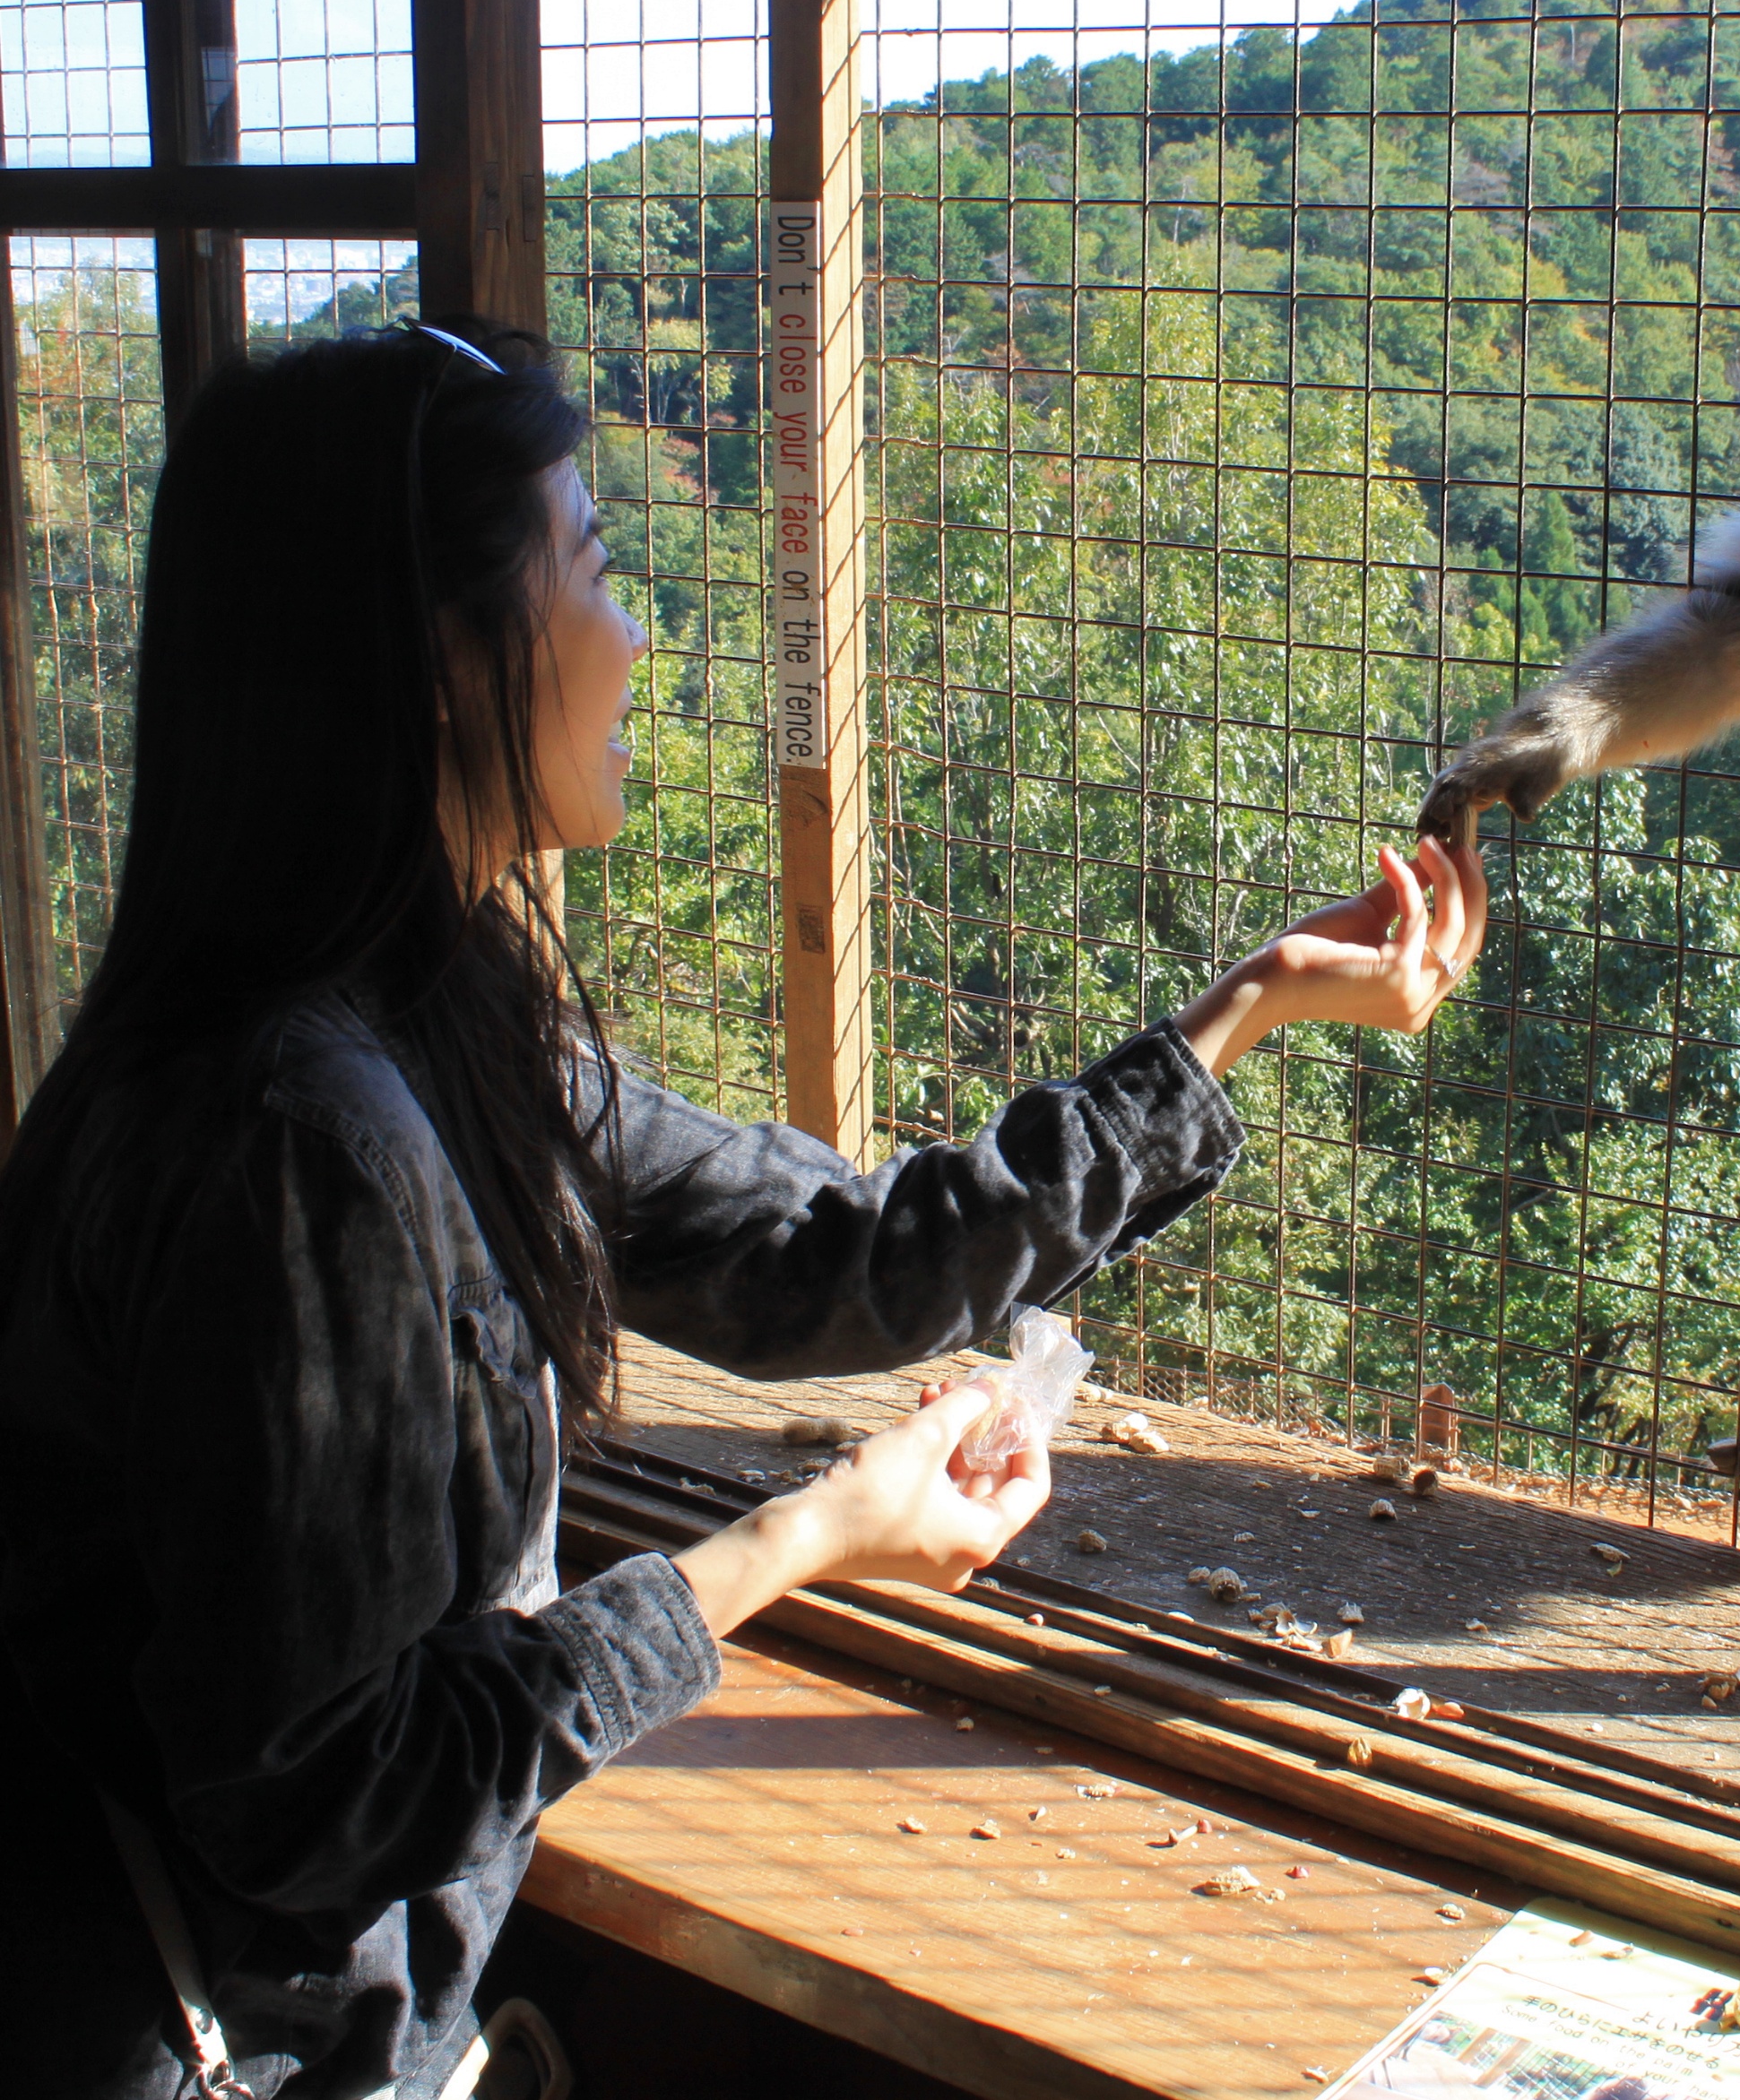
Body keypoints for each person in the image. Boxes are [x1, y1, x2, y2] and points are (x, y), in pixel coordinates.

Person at [0, 320, 1488, 2098]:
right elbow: (334, 1799)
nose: (640, 635)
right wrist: (800, 1541)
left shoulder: (432, 1013)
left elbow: (840, 1255)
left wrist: (1244, 1007)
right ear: (442, 657)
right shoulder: (290, 1144)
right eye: (599, 570)